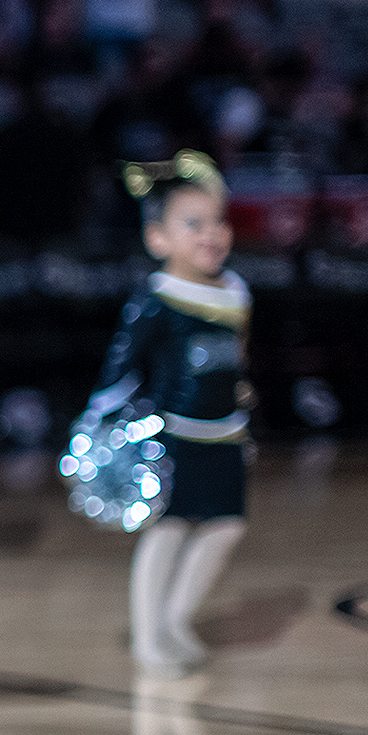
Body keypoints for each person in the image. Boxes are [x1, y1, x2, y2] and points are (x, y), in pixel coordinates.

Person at [93, 153, 249, 679]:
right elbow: (121, 365)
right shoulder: (157, 299)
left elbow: (238, 359)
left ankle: (176, 620)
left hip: (225, 433)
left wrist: (245, 411)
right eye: (193, 224)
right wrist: (101, 420)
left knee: (226, 526)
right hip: (174, 436)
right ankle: (147, 634)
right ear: (157, 238)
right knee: (169, 529)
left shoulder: (235, 293)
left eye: (218, 222)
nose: (211, 234)